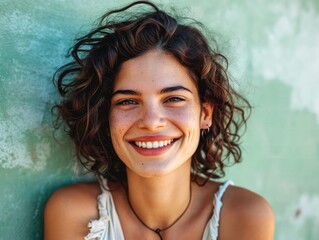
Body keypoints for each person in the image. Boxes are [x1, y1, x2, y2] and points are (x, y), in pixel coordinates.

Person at [44, 1, 275, 239]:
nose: (152, 122)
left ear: (205, 114)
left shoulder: (244, 216)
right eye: (128, 101)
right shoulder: (74, 213)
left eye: (174, 98)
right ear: (106, 117)